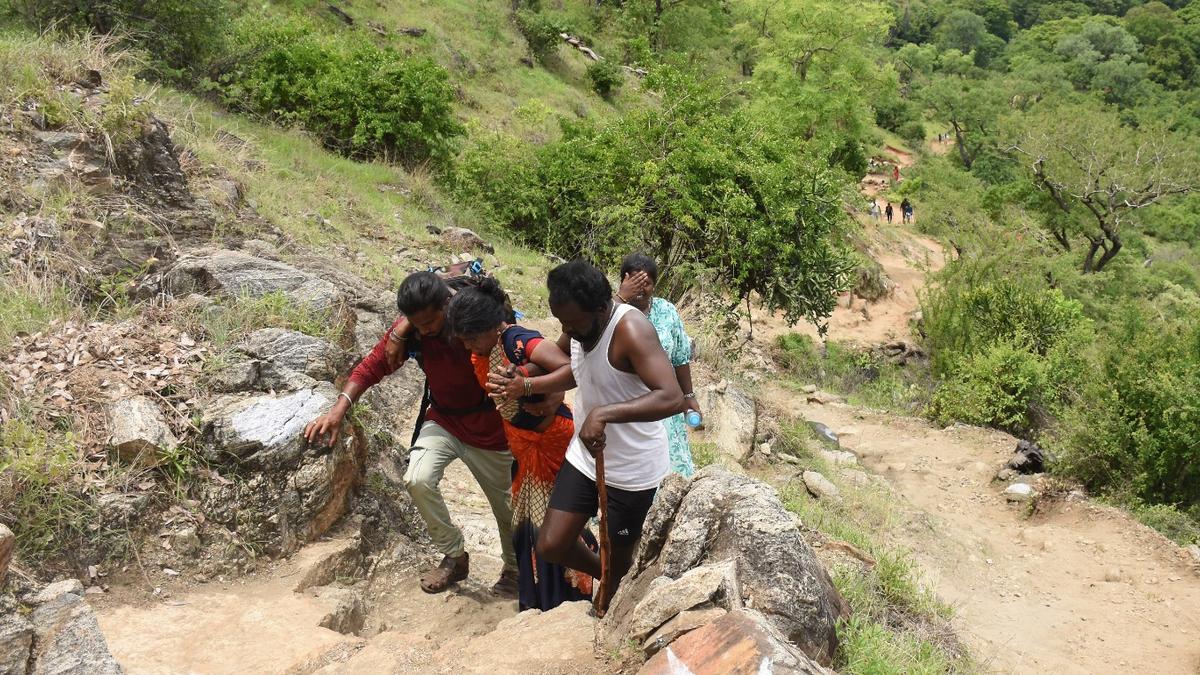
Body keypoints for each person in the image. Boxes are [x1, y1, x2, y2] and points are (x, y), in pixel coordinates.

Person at [304, 271, 518, 596]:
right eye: (417, 324)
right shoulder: (414, 330)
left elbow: (514, 342)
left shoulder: (473, 319)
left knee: (506, 508)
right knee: (417, 478)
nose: (427, 330)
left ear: (447, 304)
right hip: (444, 419)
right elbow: (372, 366)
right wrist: (337, 411)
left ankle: (514, 570)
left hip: (490, 428)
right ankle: (454, 555)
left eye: (431, 322)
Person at [488, 260, 683, 608]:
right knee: (551, 543)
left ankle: (616, 586)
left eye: (573, 323)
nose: (568, 331)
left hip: (632, 471)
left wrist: (604, 414)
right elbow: (572, 366)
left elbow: (671, 396)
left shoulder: (631, 330)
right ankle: (609, 578)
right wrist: (525, 381)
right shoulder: (578, 324)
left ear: (601, 308)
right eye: (562, 322)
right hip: (586, 456)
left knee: (621, 560)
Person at [444, 278, 597, 611]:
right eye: (464, 341)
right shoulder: (497, 344)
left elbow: (568, 368)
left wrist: (531, 388)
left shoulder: (516, 339)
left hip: (549, 443)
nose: (470, 347)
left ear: (491, 327)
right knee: (528, 525)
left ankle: (576, 593)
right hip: (524, 447)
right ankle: (543, 598)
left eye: (472, 338)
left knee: (556, 523)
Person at [615, 253, 701, 477]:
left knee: (668, 473)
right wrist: (621, 299)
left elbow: (680, 358)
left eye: (647, 284)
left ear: (655, 285)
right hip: (625, 403)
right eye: (634, 283)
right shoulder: (611, 312)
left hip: (664, 402)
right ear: (623, 282)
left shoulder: (666, 312)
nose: (641, 290)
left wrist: (688, 395)